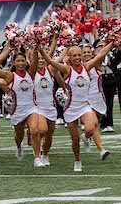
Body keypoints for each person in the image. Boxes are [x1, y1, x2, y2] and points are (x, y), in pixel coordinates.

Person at [40, 42, 115, 171]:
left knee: (91, 128)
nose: (77, 58)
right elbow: (50, 61)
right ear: (70, 57)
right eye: (74, 55)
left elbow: (102, 53)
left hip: (85, 105)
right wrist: (40, 50)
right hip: (71, 108)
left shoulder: (87, 66)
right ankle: (77, 161)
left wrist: (113, 42)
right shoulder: (67, 69)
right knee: (75, 139)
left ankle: (86, 137)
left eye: (79, 55)